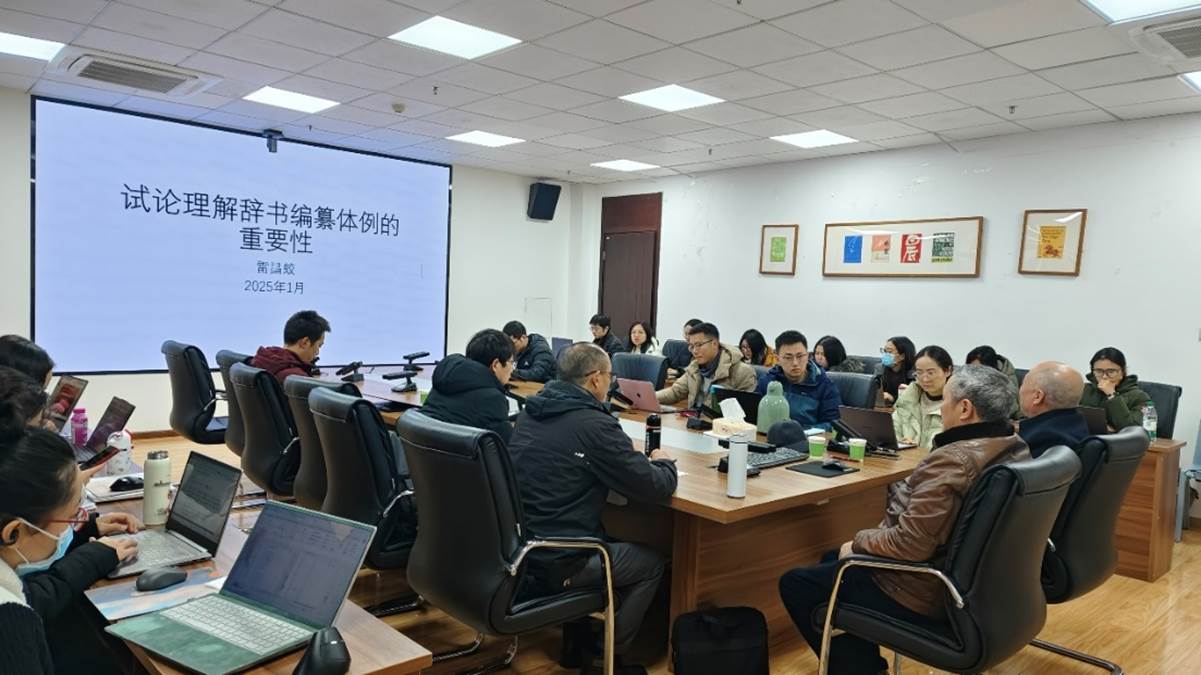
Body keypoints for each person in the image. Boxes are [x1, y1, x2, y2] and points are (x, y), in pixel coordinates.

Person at [779, 364, 1029, 674]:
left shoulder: (955, 460)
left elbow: (910, 545)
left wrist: (857, 542)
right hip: (980, 589)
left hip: (921, 589)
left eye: (945, 401)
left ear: (965, 409)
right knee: (831, 560)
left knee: (798, 583)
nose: (941, 408)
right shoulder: (1014, 445)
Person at [508, 344, 678, 675]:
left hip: (520, 549)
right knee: (652, 564)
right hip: (560, 557)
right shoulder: (594, 424)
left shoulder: (532, 411)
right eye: (610, 377)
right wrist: (664, 462)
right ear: (596, 379)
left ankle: (577, 642)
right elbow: (655, 486)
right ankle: (607, 654)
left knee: (606, 529)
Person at [0, 413, 141, 674]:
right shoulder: (10, 624)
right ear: (13, 534)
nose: (72, 527)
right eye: (72, 515)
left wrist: (87, 530)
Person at [421, 329, 516, 443]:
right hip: (454, 453)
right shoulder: (493, 399)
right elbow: (508, 445)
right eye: (511, 363)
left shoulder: (445, 378)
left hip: (423, 450)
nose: (512, 369)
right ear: (496, 365)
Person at [755, 331, 841, 429]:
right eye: (788, 357)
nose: (795, 363)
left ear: (807, 356)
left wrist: (800, 431)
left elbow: (833, 424)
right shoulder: (768, 382)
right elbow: (752, 415)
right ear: (777, 359)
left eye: (800, 356)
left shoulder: (825, 386)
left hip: (807, 437)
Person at [657, 323, 757, 406]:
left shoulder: (743, 372)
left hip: (718, 423)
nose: (695, 351)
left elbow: (744, 412)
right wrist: (651, 397)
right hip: (694, 421)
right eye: (692, 346)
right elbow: (675, 392)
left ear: (714, 344)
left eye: (699, 345)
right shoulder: (695, 367)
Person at [1018, 362, 1089, 458]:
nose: (1020, 390)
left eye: (1023, 384)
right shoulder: (1078, 425)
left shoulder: (1042, 439)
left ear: (1038, 396)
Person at [892, 345, 953, 448]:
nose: (924, 379)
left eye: (930, 373)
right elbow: (893, 431)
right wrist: (901, 444)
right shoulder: (908, 399)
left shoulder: (956, 407)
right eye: (919, 373)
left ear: (947, 371)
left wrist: (917, 450)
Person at [1078, 347, 1151, 432]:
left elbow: (1133, 430)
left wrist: (1112, 395)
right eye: (1099, 371)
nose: (1104, 377)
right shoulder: (1084, 390)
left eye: (1111, 372)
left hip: (1120, 440)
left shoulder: (1140, 397)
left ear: (1122, 372)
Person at [250, 310, 330, 385]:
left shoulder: (262, 360)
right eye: (319, 346)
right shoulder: (297, 379)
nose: (317, 352)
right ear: (305, 342)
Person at [875, 336, 916, 405]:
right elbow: (874, 391)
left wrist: (893, 398)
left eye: (889, 352)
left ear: (902, 356)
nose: (885, 355)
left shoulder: (914, 373)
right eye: (884, 351)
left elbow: (915, 399)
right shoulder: (880, 369)